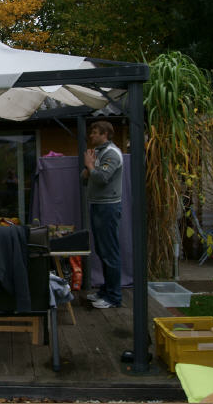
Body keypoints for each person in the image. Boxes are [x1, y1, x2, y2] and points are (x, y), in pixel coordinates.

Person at [81, 121, 123, 309]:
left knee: (110, 252)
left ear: (105, 134)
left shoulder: (112, 154)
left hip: (108, 208)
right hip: (98, 205)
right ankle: (106, 291)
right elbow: (86, 179)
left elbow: (102, 178)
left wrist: (90, 166)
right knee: (102, 250)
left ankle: (114, 297)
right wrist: (88, 169)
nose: (91, 135)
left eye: (95, 132)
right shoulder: (99, 153)